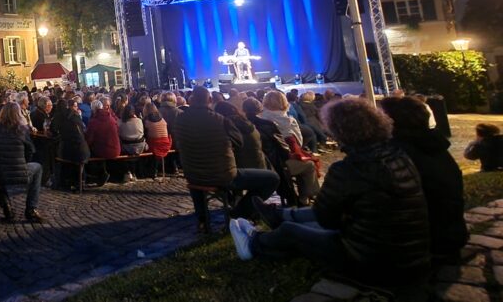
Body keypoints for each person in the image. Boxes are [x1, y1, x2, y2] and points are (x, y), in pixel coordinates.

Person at [231, 99, 430, 287]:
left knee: (291, 231)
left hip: (372, 260)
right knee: (306, 224)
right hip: (412, 254)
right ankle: (280, 217)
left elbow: (326, 219)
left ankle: (254, 243)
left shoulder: (349, 169)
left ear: (340, 131)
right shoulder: (399, 156)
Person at [171, 87, 280, 233]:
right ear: (209, 101)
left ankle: (203, 219)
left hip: (192, 174)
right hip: (223, 175)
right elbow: (238, 142)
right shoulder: (220, 120)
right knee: (272, 178)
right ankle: (240, 212)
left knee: (200, 177)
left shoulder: (180, 120)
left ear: (190, 100)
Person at [380, 96, 467, 265]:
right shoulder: (434, 145)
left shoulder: (399, 153)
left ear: (391, 121)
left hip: (425, 243)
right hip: (452, 234)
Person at [0, 102, 44, 223]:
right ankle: (31, 209)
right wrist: (22, 163)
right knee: (38, 168)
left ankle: (7, 209)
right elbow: (30, 150)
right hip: (18, 172)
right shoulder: (22, 129)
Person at [53, 97, 91, 190]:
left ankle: (65, 181)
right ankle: (79, 181)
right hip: (84, 149)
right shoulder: (76, 117)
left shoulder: (62, 118)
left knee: (60, 155)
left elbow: (54, 130)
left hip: (75, 151)